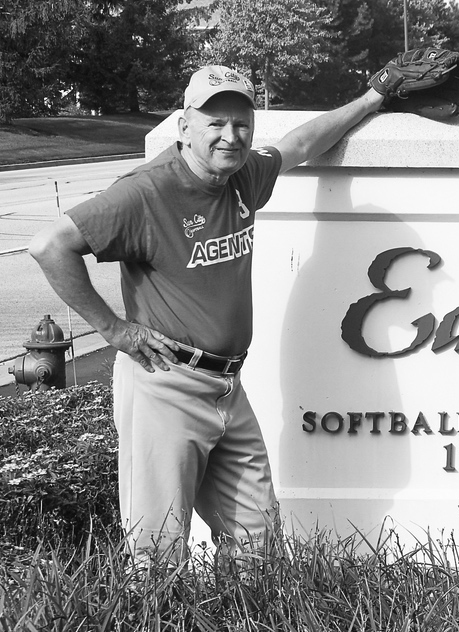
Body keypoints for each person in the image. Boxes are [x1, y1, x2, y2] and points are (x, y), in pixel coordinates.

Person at [28, 65, 387, 566]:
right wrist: (114, 330)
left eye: (241, 123)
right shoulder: (147, 193)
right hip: (165, 383)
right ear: (184, 126)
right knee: (156, 554)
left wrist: (372, 98)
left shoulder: (243, 176)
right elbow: (50, 245)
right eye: (215, 122)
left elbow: (301, 144)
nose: (230, 135)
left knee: (257, 540)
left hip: (227, 388)